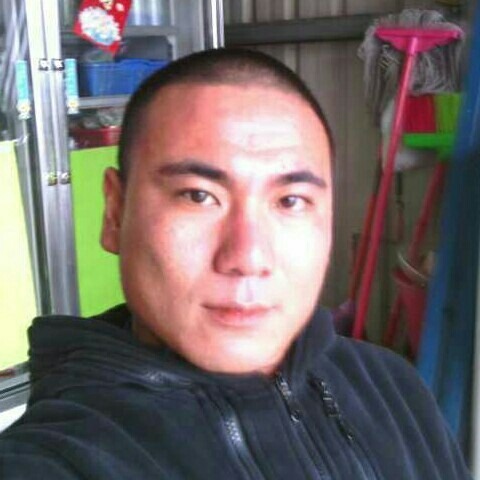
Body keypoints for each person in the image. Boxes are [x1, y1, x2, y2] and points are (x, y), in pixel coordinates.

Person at [0, 48, 471, 479]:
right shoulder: (61, 458)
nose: (248, 257)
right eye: (198, 195)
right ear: (115, 213)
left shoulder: (393, 388)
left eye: (290, 201)